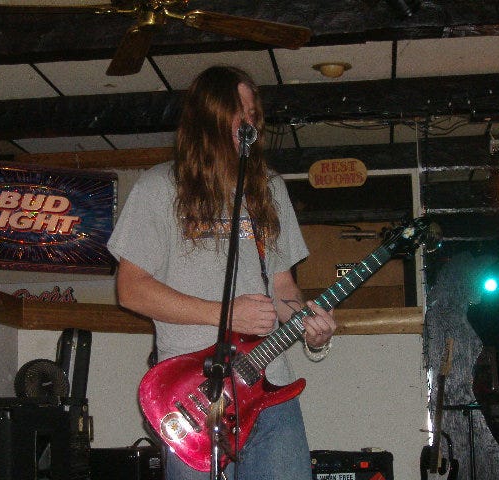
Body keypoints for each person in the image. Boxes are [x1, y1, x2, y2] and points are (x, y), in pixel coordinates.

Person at [107, 65, 336, 480]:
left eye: (254, 115)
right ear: (208, 116)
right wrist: (225, 314)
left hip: (270, 389)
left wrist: (308, 325)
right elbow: (131, 290)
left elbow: (282, 285)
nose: (250, 123)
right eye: (239, 112)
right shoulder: (159, 187)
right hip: (195, 398)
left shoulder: (269, 187)